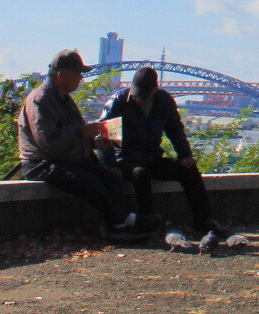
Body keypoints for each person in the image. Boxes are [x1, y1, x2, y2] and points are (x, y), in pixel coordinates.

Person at [16, 49, 155, 239]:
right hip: (42, 163)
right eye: (77, 73)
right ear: (60, 75)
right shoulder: (40, 100)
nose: (81, 78)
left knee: (111, 178)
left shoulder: (64, 98)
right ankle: (127, 220)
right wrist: (82, 132)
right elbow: (48, 142)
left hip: (65, 159)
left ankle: (118, 227)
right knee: (87, 180)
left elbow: (76, 135)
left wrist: (95, 143)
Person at [100, 66, 229, 250]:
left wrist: (185, 156)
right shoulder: (118, 102)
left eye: (144, 97)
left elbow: (175, 130)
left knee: (189, 171)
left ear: (155, 90)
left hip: (153, 157)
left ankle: (204, 220)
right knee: (139, 174)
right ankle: (148, 222)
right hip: (126, 159)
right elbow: (104, 137)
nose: (139, 101)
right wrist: (111, 166)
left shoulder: (164, 101)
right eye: (136, 96)